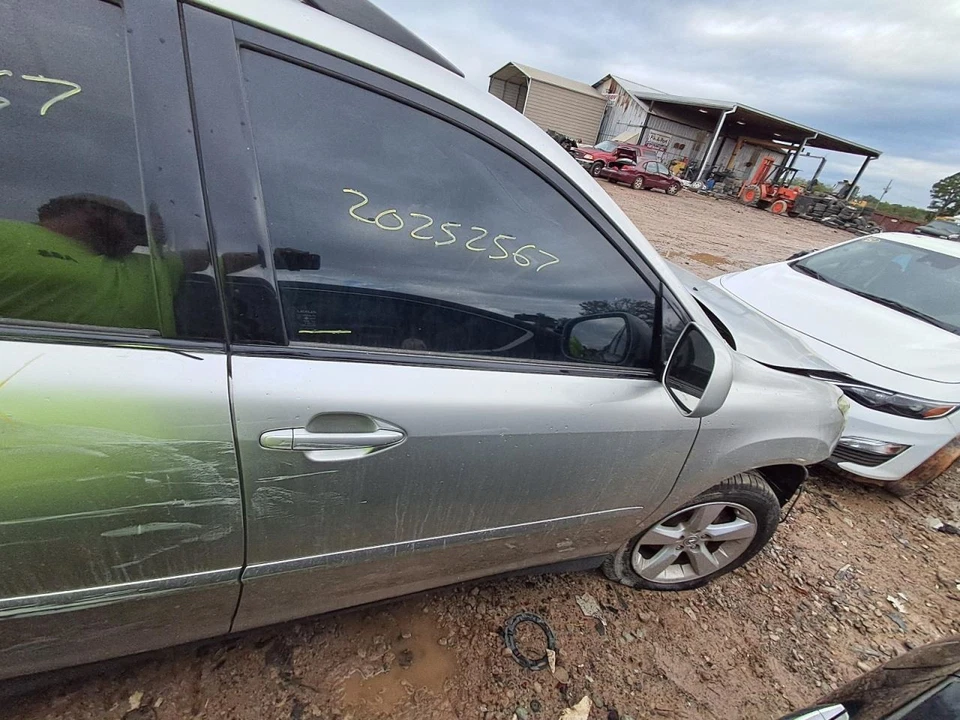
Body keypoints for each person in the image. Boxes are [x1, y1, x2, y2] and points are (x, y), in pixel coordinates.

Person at [0, 194, 184, 334]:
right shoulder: (8, 234)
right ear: (93, 208)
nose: (140, 235)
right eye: (135, 223)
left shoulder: (152, 266)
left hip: (145, 366)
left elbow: (196, 257)